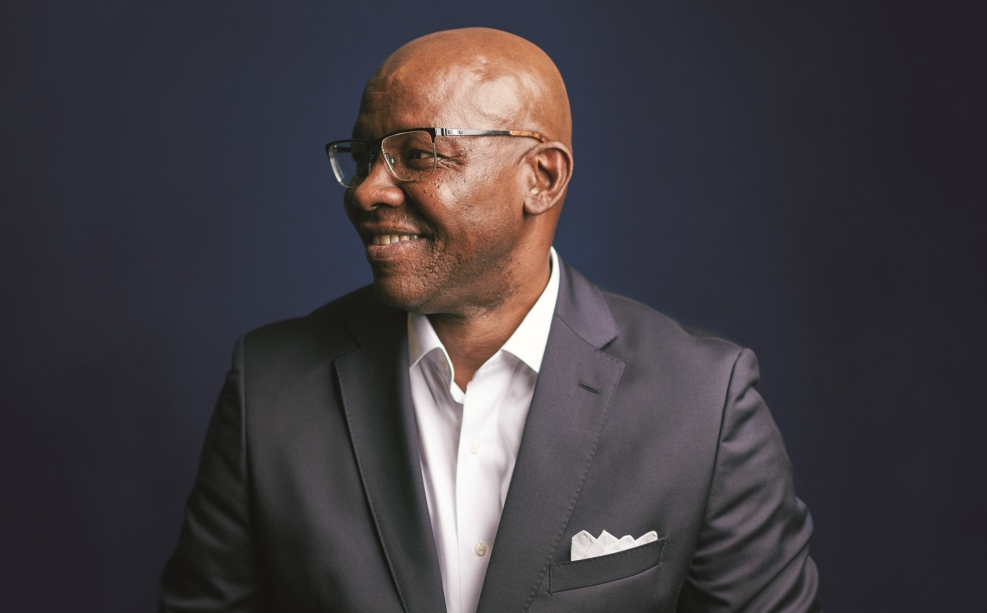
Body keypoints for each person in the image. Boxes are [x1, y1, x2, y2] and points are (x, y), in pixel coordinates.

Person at [159, 27, 821, 613]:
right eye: (362, 158)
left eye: (417, 154)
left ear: (542, 177)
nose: (366, 191)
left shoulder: (703, 403)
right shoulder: (268, 388)